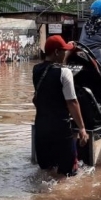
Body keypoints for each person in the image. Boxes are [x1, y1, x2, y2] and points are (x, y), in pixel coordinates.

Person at [32, 35, 89, 177]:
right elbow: (72, 102)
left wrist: (69, 48)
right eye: (63, 51)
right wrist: (82, 128)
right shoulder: (65, 72)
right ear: (57, 52)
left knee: (46, 171)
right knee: (67, 175)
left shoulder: (36, 70)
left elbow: (36, 99)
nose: (65, 54)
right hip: (60, 130)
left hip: (41, 128)